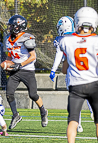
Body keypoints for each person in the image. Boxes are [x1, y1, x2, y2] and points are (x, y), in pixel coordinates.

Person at [60, 7, 98, 143]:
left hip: (76, 85)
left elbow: (64, 70)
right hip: (94, 84)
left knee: (73, 121)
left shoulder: (66, 41)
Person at [49, 16, 94, 133]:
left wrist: (53, 70)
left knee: (75, 98)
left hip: (72, 71)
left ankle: (77, 124)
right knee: (90, 95)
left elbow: (59, 55)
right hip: (86, 70)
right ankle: (93, 111)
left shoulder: (62, 40)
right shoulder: (80, 37)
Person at [4, 14, 48, 129]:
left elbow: (33, 56)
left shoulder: (27, 38)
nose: (10, 28)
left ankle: (43, 111)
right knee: (9, 93)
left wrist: (20, 64)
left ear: (19, 27)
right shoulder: (8, 39)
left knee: (33, 95)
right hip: (15, 70)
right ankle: (15, 115)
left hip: (27, 70)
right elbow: (10, 56)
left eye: (12, 25)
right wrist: (6, 64)